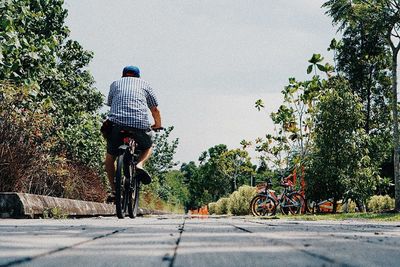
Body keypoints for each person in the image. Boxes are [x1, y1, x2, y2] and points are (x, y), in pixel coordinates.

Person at [104, 65, 162, 196]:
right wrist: (157, 125)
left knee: (109, 159)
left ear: (123, 75)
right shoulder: (145, 85)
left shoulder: (115, 84)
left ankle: (114, 190)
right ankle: (139, 165)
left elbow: (110, 103)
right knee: (148, 146)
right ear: (138, 76)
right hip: (139, 125)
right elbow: (155, 110)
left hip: (116, 125)